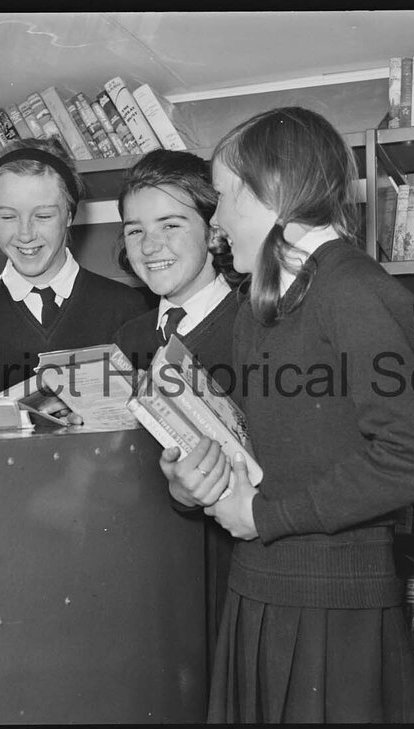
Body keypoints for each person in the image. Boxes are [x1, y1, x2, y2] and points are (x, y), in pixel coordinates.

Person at [161, 107, 414, 723]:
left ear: (272, 193)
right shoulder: (257, 306)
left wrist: (264, 515)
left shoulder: (354, 292)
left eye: (221, 198)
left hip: (329, 604)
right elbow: (257, 446)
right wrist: (194, 479)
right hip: (261, 587)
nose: (214, 221)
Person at [112, 149, 244, 662]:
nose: (151, 246)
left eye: (171, 224)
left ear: (214, 232)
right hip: (152, 580)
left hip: (230, 579)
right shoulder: (127, 339)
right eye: (134, 230)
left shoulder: (254, 327)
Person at [0, 137, 148, 396]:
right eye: (7, 217)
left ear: (69, 215)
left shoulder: (127, 308)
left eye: (43, 216)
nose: (25, 234)